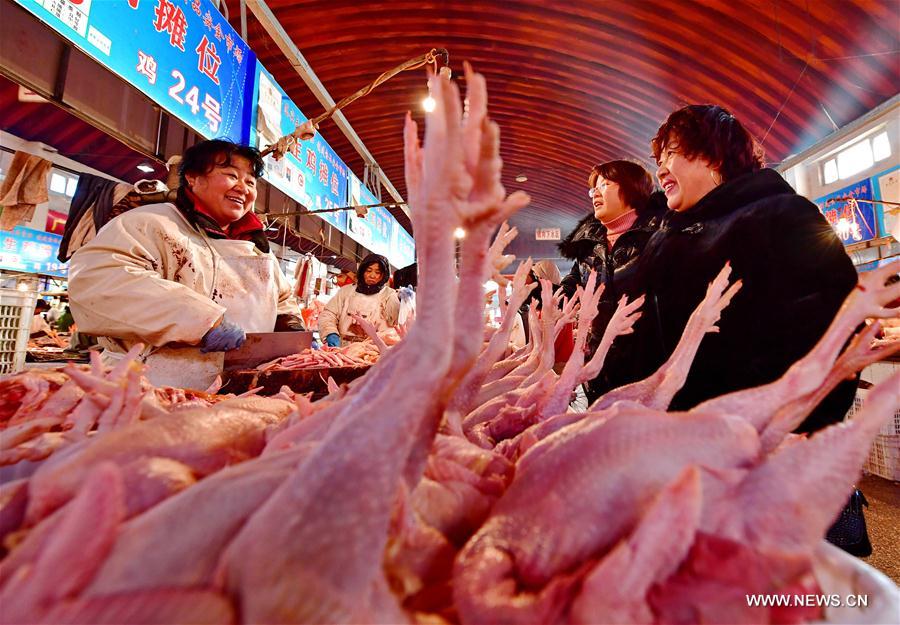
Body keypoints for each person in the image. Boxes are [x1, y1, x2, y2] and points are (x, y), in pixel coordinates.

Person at [621, 104, 858, 432]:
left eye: (671, 154)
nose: (661, 171)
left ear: (713, 156)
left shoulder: (780, 217)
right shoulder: (663, 238)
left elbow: (830, 334)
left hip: (750, 441)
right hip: (663, 438)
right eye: (659, 160)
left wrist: (775, 432)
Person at [69, 138, 308, 389]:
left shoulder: (257, 248)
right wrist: (201, 321)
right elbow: (99, 282)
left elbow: (282, 298)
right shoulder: (148, 223)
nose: (243, 188)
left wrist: (289, 325)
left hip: (239, 385)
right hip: (147, 384)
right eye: (231, 175)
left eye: (250, 182)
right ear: (193, 178)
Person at [558, 160, 665, 401]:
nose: (595, 193)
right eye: (593, 189)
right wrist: (536, 294)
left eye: (604, 185)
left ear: (632, 188)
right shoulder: (589, 247)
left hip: (646, 368)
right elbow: (569, 288)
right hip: (599, 368)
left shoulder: (660, 237)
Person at [318, 253, 399, 347]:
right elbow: (328, 314)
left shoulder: (390, 295)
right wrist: (330, 332)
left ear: (384, 275)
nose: (372, 275)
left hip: (373, 350)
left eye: (377, 272)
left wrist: (403, 302)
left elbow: (396, 322)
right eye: (368, 271)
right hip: (343, 348)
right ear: (362, 271)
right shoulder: (345, 291)